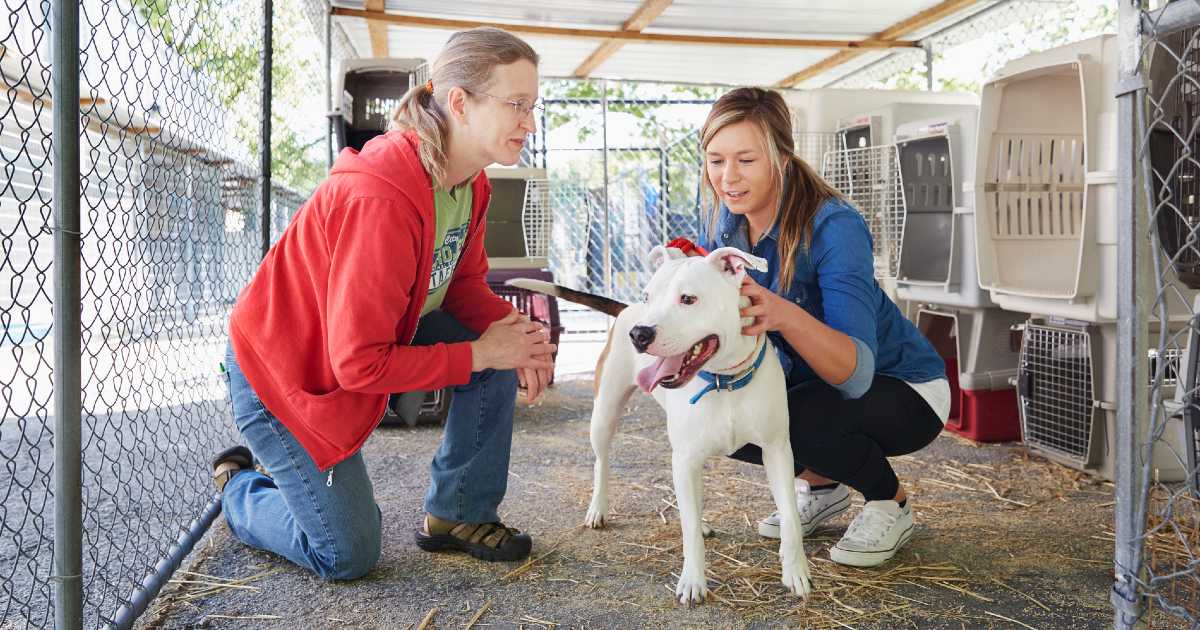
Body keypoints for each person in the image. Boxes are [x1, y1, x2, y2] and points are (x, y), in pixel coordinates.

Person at [209, 27, 557, 580]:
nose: (529, 121)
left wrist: (520, 340)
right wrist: (485, 353)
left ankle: (458, 515)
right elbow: (358, 363)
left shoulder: (470, 181)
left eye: (531, 105)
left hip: (354, 349)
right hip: (283, 376)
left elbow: (462, 285)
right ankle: (240, 489)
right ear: (460, 103)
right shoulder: (384, 196)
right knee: (346, 554)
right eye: (516, 105)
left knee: (494, 348)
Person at [697, 87, 951, 567]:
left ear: (781, 158)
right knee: (719, 410)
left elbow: (854, 374)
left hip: (904, 388)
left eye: (745, 160)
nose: (727, 178)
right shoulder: (726, 226)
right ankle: (822, 484)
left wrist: (782, 312)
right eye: (715, 160)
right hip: (816, 389)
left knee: (799, 415)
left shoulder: (834, 226)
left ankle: (889, 502)